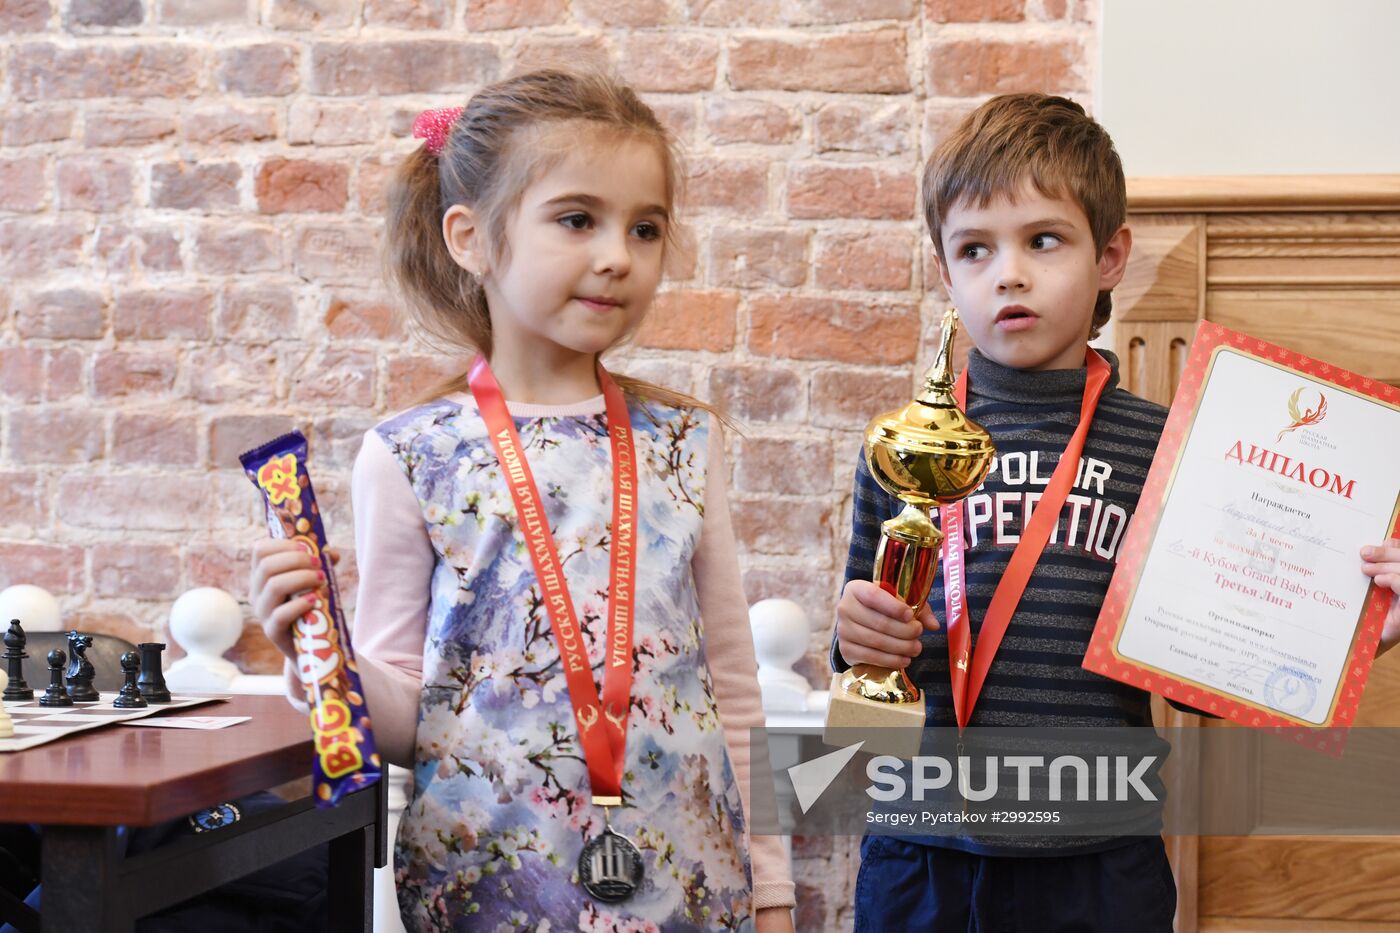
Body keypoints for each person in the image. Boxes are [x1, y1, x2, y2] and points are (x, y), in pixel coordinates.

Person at [832, 93, 1400, 932]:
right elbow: (857, 660)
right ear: (946, 272)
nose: (1009, 273)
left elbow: (1215, 675)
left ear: (1110, 256)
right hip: (925, 852)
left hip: (1101, 856)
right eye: (975, 249)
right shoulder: (904, 444)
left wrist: (1347, 632)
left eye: (1044, 240)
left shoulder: (1171, 449)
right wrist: (854, 636)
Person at [248, 69, 795, 932]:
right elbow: (405, 713)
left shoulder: (686, 440)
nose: (618, 253)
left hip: (692, 887)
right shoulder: (411, 455)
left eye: (645, 227)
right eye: (578, 219)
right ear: (471, 237)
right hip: (488, 895)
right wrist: (320, 658)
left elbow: (731, 681)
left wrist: (770, 891)